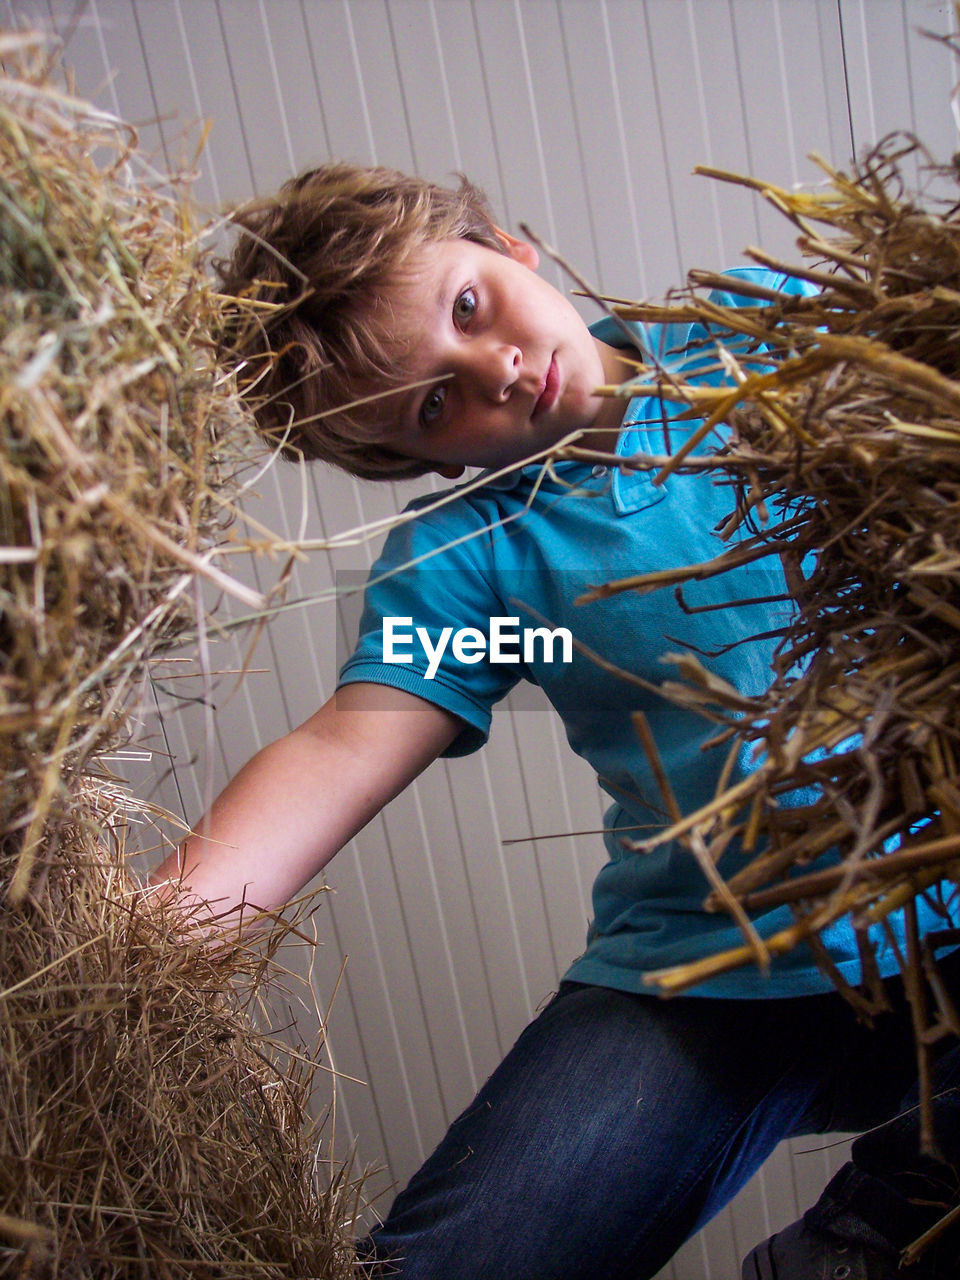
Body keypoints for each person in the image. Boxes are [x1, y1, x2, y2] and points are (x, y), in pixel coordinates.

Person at [152, 163, 960, 1278]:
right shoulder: (478, 561)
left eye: (468, 308)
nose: (494, 370)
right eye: (435, 401)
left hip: (946, 900)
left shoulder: (767, 344)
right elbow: (348, 744)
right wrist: (145, 946)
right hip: (708, 971)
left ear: (507, 244)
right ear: (417, 458)